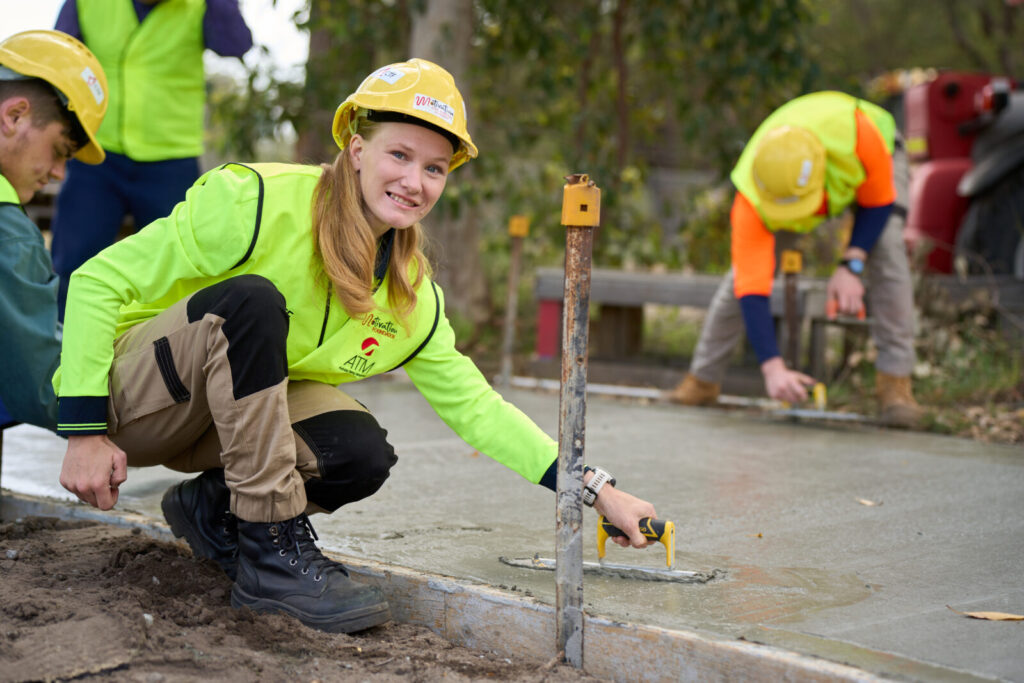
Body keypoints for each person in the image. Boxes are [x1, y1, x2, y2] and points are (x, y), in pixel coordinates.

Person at [55, 59, 658, 634]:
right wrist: (82, 432)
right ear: (357, 148)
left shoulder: (410, 294)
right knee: (253, 302)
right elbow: (95, 281)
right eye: (399, 154)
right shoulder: (256, 204)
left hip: (223, 424)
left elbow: (477, 408)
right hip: (136, 402)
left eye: (434, 168)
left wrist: (597, 489)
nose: (414, 182)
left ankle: (213, 512)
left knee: (357, 449)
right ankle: (270, 560)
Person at [669, 91, 923, 427]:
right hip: (789, 188)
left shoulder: (860, 137)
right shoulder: (751, 196)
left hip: (879, 155)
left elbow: (877, 204)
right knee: (740, 278)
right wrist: (772, 367)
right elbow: (752, 288)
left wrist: (851, 264)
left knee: (888, 252)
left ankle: (895, 385)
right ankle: (702, 381)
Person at [49, 0, 253, 321]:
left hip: (170, 159)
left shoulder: (200, 5)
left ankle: (163, 362)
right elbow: (58, 60)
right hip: (98, 154)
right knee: (73, 267)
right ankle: (57, 356)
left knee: (178, 277)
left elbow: (235, 43)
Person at [0, 30, 108, 432]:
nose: (60, 173)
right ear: (14, 116)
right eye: (61, 150)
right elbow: (44, 389)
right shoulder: (8, 234)